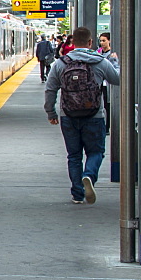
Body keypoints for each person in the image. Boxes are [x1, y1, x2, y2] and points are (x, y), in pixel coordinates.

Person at [44, 26, 120, 204]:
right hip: (94, 116)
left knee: (74, 156)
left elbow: (50, 89)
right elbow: (117, 79)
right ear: (90, 42)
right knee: (96, 152)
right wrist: (115, 62)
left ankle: (77, 194)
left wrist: (51, 112)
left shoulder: (61, 63)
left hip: (68, 115)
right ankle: (89, 175)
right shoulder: (100, 62)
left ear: (72, 42)